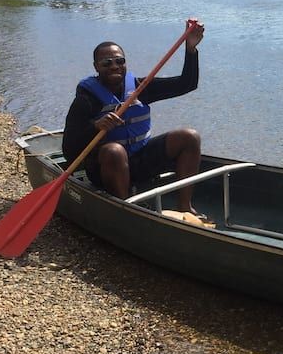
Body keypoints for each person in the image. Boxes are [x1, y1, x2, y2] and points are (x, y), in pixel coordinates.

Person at [62, 20, 206, 216]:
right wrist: (96, 127)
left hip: (140, 161)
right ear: (96, 67)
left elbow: (186, 84)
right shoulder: (85, 100)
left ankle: (185, 207)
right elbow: (69, 150)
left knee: (190, 137)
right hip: (106, 169)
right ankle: (126, 212)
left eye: (119, 61)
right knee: (114, 151)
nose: (114, 66)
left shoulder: (140, 88)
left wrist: (191, 50)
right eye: (106, 63)